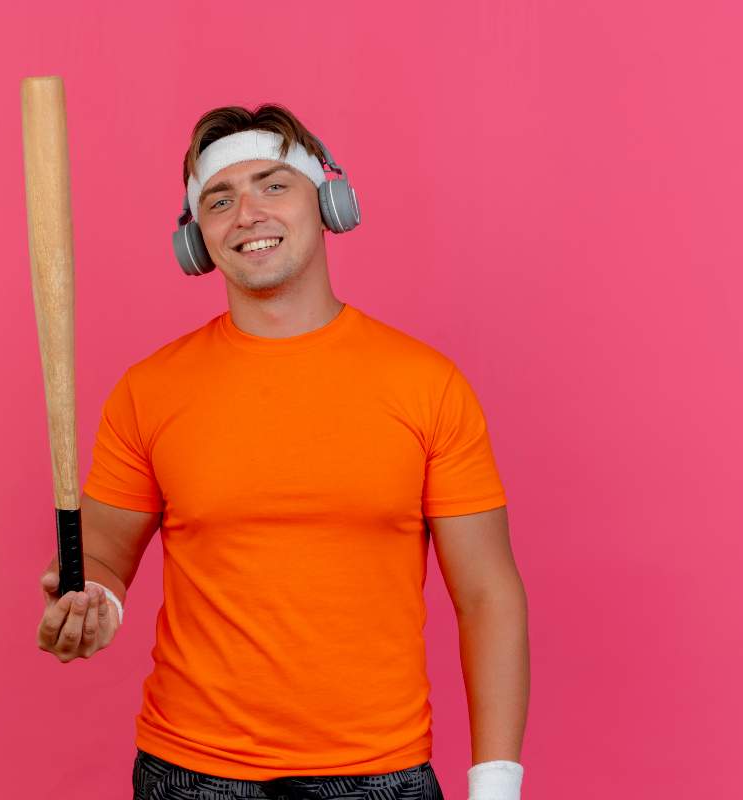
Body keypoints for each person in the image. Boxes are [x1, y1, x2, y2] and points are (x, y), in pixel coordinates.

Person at [37, 104, 530, 800]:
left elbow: (488, 595)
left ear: (328, 202)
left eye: (273, 185)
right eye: (220, 199)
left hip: (379, 774)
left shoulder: (427, 385)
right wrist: (92, 605)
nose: (247, 214)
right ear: (197, 239)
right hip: (190, 774)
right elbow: (106, 558)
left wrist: (497, 787)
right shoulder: (149, 390)